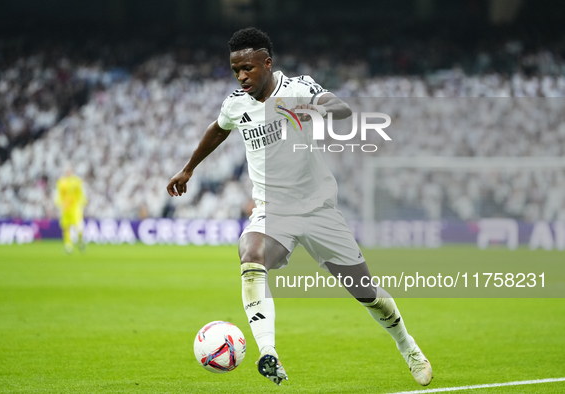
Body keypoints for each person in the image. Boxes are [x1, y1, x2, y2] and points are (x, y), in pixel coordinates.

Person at [166, 27, 432, 387]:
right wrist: (188, 168)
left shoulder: (299, 88)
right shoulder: (236, 103)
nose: (241, 76)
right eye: (235, 70)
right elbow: (219, 128)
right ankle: (268, 352)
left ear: (267, 63)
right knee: (251, 252)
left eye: (248, 68)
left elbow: (341, 109)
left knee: (365, 291)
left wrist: (313, 110)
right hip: (273, 211)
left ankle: (408, 346)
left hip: (318, 210)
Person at [54, 167, 87, 253]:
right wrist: (59, 203)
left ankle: (80, 241)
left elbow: (81, 193)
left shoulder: (77, 181)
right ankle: (68, 245)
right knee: (66, 226)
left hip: (75, 208)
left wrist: (82, 202)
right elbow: (58, 194)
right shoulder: (61, 182)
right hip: (65, 208)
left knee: (78, 226)